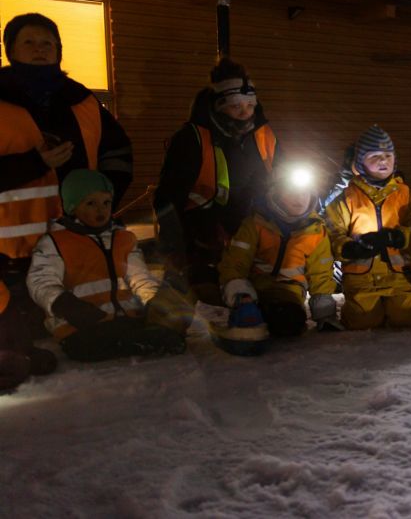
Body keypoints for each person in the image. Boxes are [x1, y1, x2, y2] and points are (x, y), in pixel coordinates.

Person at [0, 12, 133, 379]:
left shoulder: (82, 101)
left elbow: (118, 152)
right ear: (10, 49)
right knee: (21, 332)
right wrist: (33, 163)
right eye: (29, 42)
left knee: (77, 325)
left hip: (76, 247)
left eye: (48, 43)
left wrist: (103, 203)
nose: (40, 49)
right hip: (11, 255)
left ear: (59, 50)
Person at [154, 58, 278, 305]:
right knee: (209, 297)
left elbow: (275, 176)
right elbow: (168, 197)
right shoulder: (192, 138)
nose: (245, 113)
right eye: (236, 107)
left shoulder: (262, 134)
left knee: (265, 290)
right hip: (201, 233)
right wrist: (176, 246)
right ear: (220, 106)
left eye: (249, 105)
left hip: (250, 229)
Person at [27, 170, 187, 362]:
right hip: (80, 324)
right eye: (91, 203)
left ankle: (140, 338)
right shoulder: (55, 242)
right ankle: (133, 342)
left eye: (106, 202)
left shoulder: (123, 238)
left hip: (125, 319)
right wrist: (64, 304)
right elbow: (41, 282)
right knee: (89, 345)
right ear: (72, 207)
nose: (101, 210)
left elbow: (140, 278)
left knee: (167, 325)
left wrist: (153, 304)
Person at [214, 164, 336, 354]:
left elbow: (321, 273)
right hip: (252, 289)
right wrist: (240, 295)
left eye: (304, 193)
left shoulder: (315, 231)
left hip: (287, 293)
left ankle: (266, 317)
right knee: (244, 314)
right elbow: (236, 261)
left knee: (288, 322)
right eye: (292, 193)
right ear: (276, 193)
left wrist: (325, 315)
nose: (299, 199)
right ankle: (245, 316)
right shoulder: (255, 223)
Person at [324, 125, 411, 330]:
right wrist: (348, 248)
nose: (383, 160)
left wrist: (398, 237)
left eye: (388, 155)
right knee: (363, 321)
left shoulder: (405, 194)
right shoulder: (347, 197)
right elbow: (333, 231)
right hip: (362, 278)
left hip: (400, 274)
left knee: (405, 319)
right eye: (374, 156)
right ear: (360, 162)